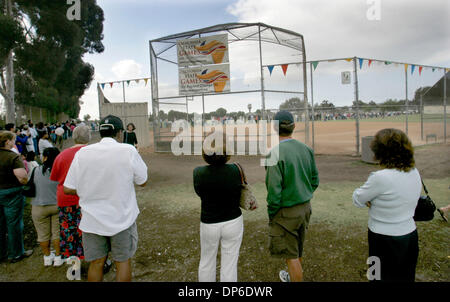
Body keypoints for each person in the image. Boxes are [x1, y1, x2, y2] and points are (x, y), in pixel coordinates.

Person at [63, 115, 148, 282]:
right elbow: (143, 181)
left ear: (100, 132)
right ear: (119, 133)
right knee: (122, 262)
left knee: (96, 263)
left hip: (92, 220)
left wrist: (90, 190)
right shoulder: (128, 150)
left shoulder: (82, 153)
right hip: (121, 219)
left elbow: (68, 188)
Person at [353, 128, 421, 282]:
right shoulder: (414, 172)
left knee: (377, 276)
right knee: (406, 276)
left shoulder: (380, 178)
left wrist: (373, 201)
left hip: (382, 239)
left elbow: (357, 199)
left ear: (380, 151)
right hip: (410, 235)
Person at [264, 110, 319, 282]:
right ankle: (292, 276)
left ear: (274, 128)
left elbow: (274, 191)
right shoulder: (306, 149)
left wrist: (272, 212)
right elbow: (314, 180)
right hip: (305, 207)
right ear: (294, 127)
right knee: (297, 248)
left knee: (291, 255)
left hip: (286, 212)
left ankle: (295, 277)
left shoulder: (274, 153)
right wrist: (302, 194)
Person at [193, 141, 243, 282]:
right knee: (229, 263)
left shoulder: (198, 172)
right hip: (233, 220)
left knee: (207, 261)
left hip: (209, 223)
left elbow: (199, 192)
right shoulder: (236, 169)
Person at [50, 125, 90, 262]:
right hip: (87, 198)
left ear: (73, 137)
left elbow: (54, 177)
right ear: (89, 137)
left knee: (69, 232)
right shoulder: (91, 153)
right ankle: (92, 258)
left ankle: (73, 264)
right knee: (89, 232)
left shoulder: (62, 155)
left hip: (66, 199)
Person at [0, 131, 34, 263]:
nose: (14, 142)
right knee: (13, 223)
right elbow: (23, 177)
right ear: (7, 141)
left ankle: (1, 253)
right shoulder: (13, 157)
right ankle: (16, 253)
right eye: (13, 140)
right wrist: (24, 184)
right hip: (12, 193)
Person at [30, 147, 64, 266]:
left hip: (38, 206)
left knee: (42, 234)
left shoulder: (35, 170)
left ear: (44, 157)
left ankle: (47, 257)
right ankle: (59, 257)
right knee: (57, 232)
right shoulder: (60, 170)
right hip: (56, 204)